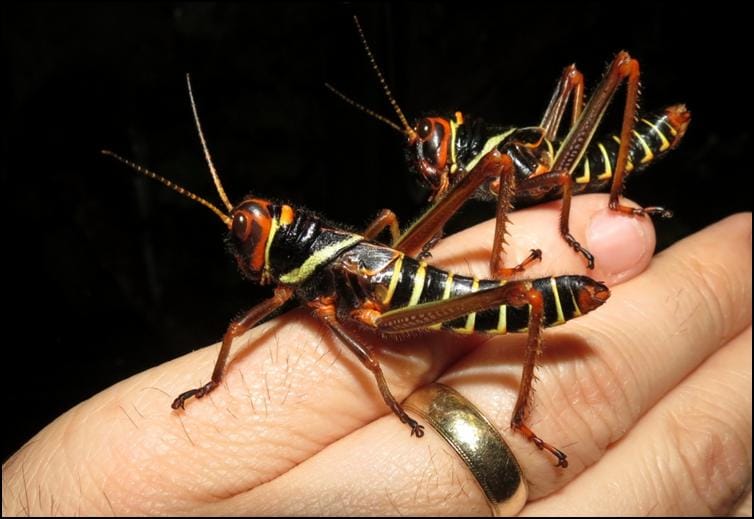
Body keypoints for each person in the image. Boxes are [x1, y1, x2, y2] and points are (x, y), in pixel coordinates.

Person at [2, 195, 751, 515]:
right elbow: (268, 328)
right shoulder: (306, 286)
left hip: (444, 299)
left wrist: (394, 400)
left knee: (506, 298)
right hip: (392, 282)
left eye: (252, 239)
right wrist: (213, 384)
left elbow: (361, 342)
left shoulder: (323, 292)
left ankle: (521, 418)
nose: (244, 253)